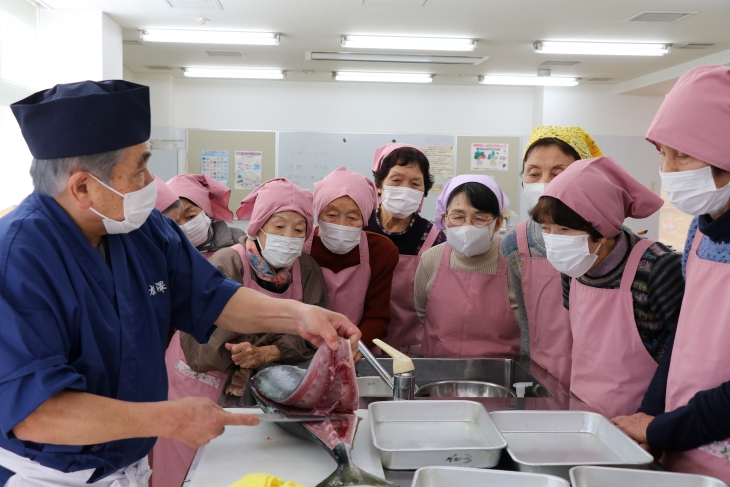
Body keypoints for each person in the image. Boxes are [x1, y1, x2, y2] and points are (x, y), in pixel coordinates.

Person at [0, 80, 360, 486]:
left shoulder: (143, 229)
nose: (150, 181)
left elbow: (214, 297)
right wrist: (168, 417)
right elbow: (35, 413)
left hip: (130, 463)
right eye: (139, 167)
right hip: (50, 476)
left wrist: (300, 315)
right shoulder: (17, 259)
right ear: (83, 187)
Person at [152, 178, 328, 487]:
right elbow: (200, 341)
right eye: (278, 227)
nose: (288, 238)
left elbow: (310, 330)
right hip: (195, 381)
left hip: (254, 389)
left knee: (241, 470)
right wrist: (242, 356)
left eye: (298, 230)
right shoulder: (227, 262)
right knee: (185, 468)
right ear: (257, 227)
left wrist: (267, 354)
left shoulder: (307, 269)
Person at [613, 65, 730, 482]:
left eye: (683, 154)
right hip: (682, 444)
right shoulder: (701, 230)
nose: (669, 170)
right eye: (662, 153)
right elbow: (684, 339)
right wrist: (650, 415)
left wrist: (662, 427)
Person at [530, 156, 683, 419]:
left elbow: (683, 353)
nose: (554, 241)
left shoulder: (659, 269)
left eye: (565, 229)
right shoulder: (573, 266)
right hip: (583, 413)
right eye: (546, 228)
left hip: (642, 421)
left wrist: (649, 419)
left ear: (602, 230)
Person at [501, 126, 602, 387]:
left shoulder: (609, 237)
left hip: (604, 381)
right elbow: (525, 320)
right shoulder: (516, 243)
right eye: (534, 173)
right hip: (544, 378)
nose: (546, 182)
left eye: (559, 173)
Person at [415, 174, 520, 358]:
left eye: (480, 218)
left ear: (498, 223)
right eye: (458, 216)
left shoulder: (514, 262)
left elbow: (526, 325)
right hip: (438, 373)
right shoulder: (430, 259)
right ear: (445, 219)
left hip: (499, 377)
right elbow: (423, 314)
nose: (467, 226)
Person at [365, 144, 446, 355]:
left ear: (423, 192)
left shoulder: (434, 239)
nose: (405, 189)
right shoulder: (359, 228)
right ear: (379, 184)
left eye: (415, 183)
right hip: (361, 345)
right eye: (397, 180)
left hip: (410, 350)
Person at [308, 167, 399, 352]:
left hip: (359, 350)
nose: (341, 224)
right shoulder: (300, 247)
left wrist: (354, 346)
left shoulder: (381, 251)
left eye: (352, 217)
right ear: (318, 213)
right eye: (332, 215)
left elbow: (378, 317)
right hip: (303, 351)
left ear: (365, 218)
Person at [167, 173, 245, 258]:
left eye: (191, 216)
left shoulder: (239, 240)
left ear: (205, 212)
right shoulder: (163, 252)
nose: (183, 225)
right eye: (174, 220)